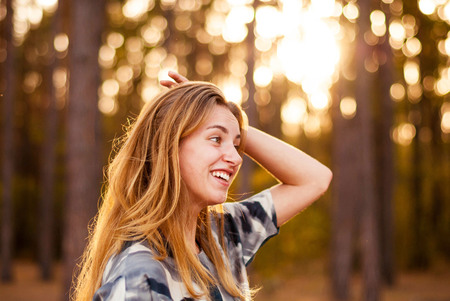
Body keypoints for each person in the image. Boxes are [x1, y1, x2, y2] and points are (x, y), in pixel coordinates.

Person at [72, 71, 332, 301]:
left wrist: (229, 119)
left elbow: (314, 179)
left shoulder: (220, 236)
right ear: (170, 145)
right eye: (216, 139)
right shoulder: (141, 276)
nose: (236, 157)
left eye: (236, 144)